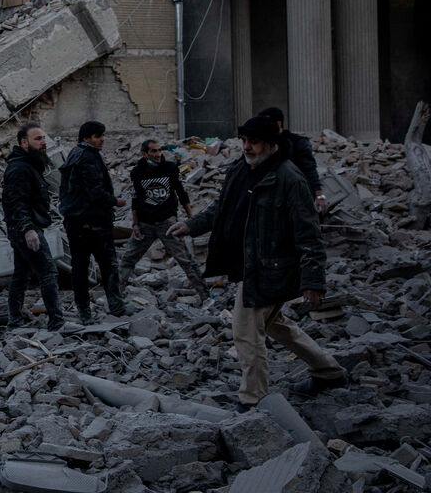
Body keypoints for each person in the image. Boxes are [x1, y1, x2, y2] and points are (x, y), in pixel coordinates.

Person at [168, 116, 346, 407]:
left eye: (253, 142)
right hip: (249, 264)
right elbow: (221, 208)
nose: (247, 147)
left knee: (245, 330)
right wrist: (192, 225)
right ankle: (330, 372)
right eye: (244, 141)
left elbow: (309, 235)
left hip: (271, 270)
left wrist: (313, 281)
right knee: (276, 325)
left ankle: (254, 400)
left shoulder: (290, 179)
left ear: (271, 144)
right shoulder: (241, 168)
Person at [59, 120, 128, 324]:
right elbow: (95, 191)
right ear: (87, 138)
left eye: (102, 136)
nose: (102, 140)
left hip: (77, 221)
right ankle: (114, 307)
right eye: (98, 136)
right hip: (92, 222)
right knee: (107, 264)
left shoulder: (75, 153)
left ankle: (85, 312)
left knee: (80, 267)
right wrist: (115, 201)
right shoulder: (88, 157)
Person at [119, 139, 208, 298]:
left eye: (159, 150)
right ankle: (115, 297)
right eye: (153, 151)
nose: (158, 154)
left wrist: (190, 220)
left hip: (167, 223)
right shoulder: (137, 172)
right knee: (128, 259)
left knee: (186, 260)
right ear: (144, 154)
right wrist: (135, 223)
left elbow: (182, 194)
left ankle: (205, 295)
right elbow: (135, 200)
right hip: (145, 223)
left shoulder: (171, 168)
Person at [0, 122, 64, 331]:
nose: (43, 142)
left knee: (21, 274)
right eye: (38, 139)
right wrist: (28, 229)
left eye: (44, 138)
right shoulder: (20, 168)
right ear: (24, 142)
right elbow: (15, 202)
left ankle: (14, 320)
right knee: (48, 271)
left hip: (24, 227)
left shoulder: (28, 165)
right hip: (25, 228)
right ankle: (57, 322)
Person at [259, 107, 328, 214]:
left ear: (278, 124)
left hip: (295, 198)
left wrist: (319, 195)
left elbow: (309, 170)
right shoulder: (262, 144)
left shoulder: (297, 143)